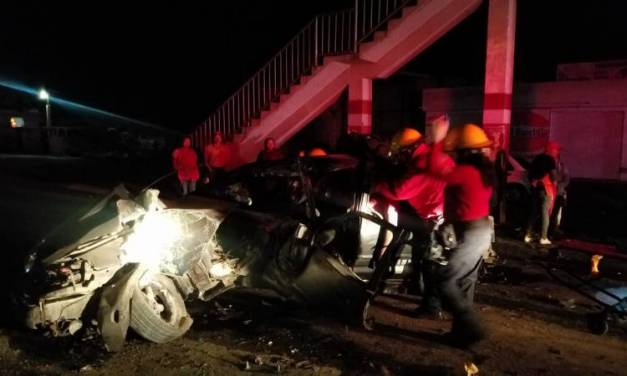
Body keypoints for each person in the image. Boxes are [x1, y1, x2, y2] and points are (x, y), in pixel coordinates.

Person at [373, 122, 455, 319]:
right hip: (443, 217)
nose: (399, 156)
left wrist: (377, 188)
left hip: (438, 220)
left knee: (431, 265)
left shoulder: (422, 163)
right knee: (431, 262)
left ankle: (433, 308)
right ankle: (433, 299)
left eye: (400, 151)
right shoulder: (427, 158)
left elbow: (400, 190)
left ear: (408, 149)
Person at [427, 121, 494, 347]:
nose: (452, 156)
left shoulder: (466, 171)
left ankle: (472, 326)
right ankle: (461, 335)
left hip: (473, 232)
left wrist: (436, 141)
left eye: (455, 151)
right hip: (479, 230)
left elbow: (437, 171)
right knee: (464, 282)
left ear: (463, 151)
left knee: (445, 280)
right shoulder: (482, 171)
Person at [524, 141, 559, 245]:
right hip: (546, 188)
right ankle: (543, 237)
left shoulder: (537, 158)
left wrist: (533, 182)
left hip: (535, 188)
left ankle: (528, 235)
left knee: (533, 211)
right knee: (545, 212)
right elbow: (553, 176)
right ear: (551, 150)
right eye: (556, 150)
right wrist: (556, 181)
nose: (557, 152)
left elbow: (529, 173)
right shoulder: (550, 159)